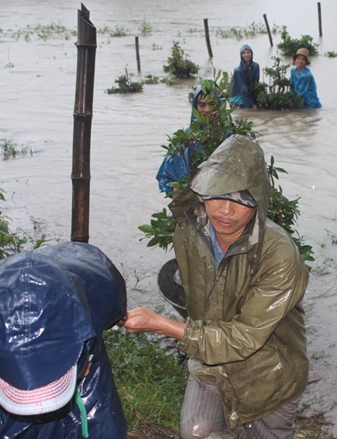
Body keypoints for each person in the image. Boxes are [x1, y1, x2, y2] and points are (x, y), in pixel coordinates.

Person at [121, 134, 309, 439]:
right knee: (197, 431)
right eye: (217, 194)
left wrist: (159, 324)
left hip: (270, 375)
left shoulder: (279, 254)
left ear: (258, 203)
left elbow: (245, 337)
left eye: (241, 200)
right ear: (202, 192)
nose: (225, 210)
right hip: (211, 362)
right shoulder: (188, 232)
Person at [0, 241, 127, 439]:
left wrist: (85, 361)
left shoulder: (98, 287)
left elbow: (111, 310)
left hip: (73, 347)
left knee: (99, 426)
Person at [156, 85, 219, 196]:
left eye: (212, 104)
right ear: (195, 107)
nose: (207, 109)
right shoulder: (185, 137)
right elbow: (172, 177)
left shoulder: (230, 135)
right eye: (202, 105)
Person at [229, 44, 260, 109]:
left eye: (248, 52)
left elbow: (256, 84)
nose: (246, 55)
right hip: (238, 98)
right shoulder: (238, 70)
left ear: (251, 53)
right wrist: (251, 104)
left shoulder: (256, 66)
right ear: (241, 55)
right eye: (244, 53)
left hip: (250, 94)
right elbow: (243, 89)